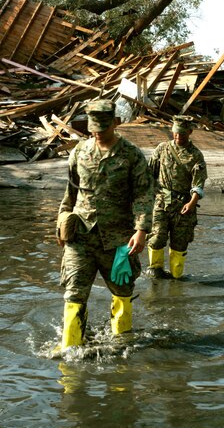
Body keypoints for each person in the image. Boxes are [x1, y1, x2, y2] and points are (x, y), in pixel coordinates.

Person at [56, 99, 153, 351]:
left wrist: (141, 230)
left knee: (122, 290)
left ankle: (121, 346)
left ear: (114, 124)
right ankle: (70, 348)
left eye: (103, 128)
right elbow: (71, 192)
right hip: (81, 235)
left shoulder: (131, 154)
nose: (98, 134)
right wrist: (61, 223)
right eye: (93, 129)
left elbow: (144, 194)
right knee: (74, 292)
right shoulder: (79, 152)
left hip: (119, 239)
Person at [146, 115, 207, 279]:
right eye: (175, 133)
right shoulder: (162, 149)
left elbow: (198, 184)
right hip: (161, 202)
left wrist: (192, 202)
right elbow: (149, 175)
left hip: (184, 205)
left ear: (190, 132)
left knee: (179, 243)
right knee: (156, 237)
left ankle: (176, 278)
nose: (178, 136)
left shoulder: (196, 155)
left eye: (181, 133)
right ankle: (155, 272)